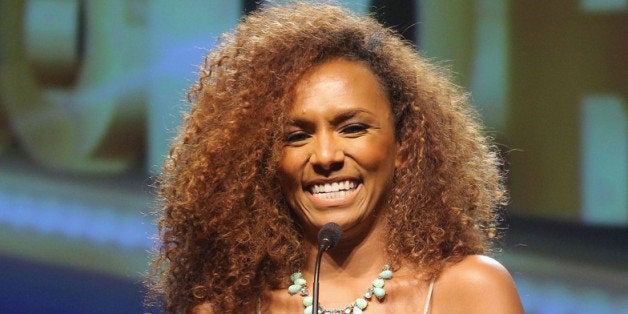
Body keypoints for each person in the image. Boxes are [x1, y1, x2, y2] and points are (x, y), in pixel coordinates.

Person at [147, 2, 524, 313]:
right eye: (296, 136)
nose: (326, 156)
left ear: (404, 147)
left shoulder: (470, 292)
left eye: (353, 128)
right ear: (264, 161)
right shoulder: (228, 304)